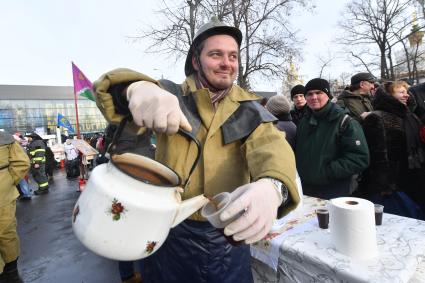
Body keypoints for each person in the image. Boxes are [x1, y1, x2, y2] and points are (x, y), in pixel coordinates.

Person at [94, 16, 299, 283]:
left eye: (233, 56)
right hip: (167, 233)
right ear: (195, 60)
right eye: (216, 54)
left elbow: (273, 147)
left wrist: (274, 185)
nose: (227, 63)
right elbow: (107, 92)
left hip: (228, 239)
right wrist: (134, 88)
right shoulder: (169, 94)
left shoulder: (250, 109)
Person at [357, 81, 425, 218]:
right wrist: (385, 186)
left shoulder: (411, 116)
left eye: (406, 92)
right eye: (400, 92)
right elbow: (376, 157)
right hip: (393, 185)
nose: (406, 95)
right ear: (388, 96)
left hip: (414, 178)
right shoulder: (376, 118)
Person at [295, 78, 370, 199]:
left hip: (334, 189)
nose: (314, 97)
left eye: (319, 93)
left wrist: (327, 171)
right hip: (306, 189)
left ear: (328, 95)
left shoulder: (345, 122)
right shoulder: (304, 122)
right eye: (309, 94)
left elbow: (359, 158)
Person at [0, 131, 30, 283]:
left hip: (3, 195)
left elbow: (22, 163)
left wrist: (8, 181)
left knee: (6, 233)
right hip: (3, 194)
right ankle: (10, 274)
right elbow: (22, 162)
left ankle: (10, 273)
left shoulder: (5, 138)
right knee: (6, 233)